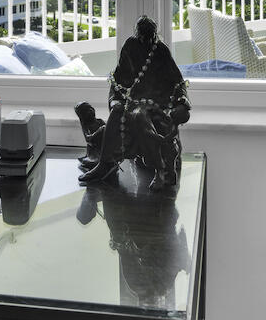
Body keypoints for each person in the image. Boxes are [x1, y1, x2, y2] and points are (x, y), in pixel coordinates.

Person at [76, 15, 190, 190]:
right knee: (117, 112)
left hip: (156, 105)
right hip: (132, 100)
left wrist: (182, 104)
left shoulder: (160, 51)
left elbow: (177, 82)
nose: (145, 40)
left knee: (138, 117)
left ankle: (161, 169)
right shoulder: (130, 46)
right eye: (142, 37)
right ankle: (106, 163)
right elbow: (117, 80)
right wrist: (114, 100)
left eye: (148, 37)